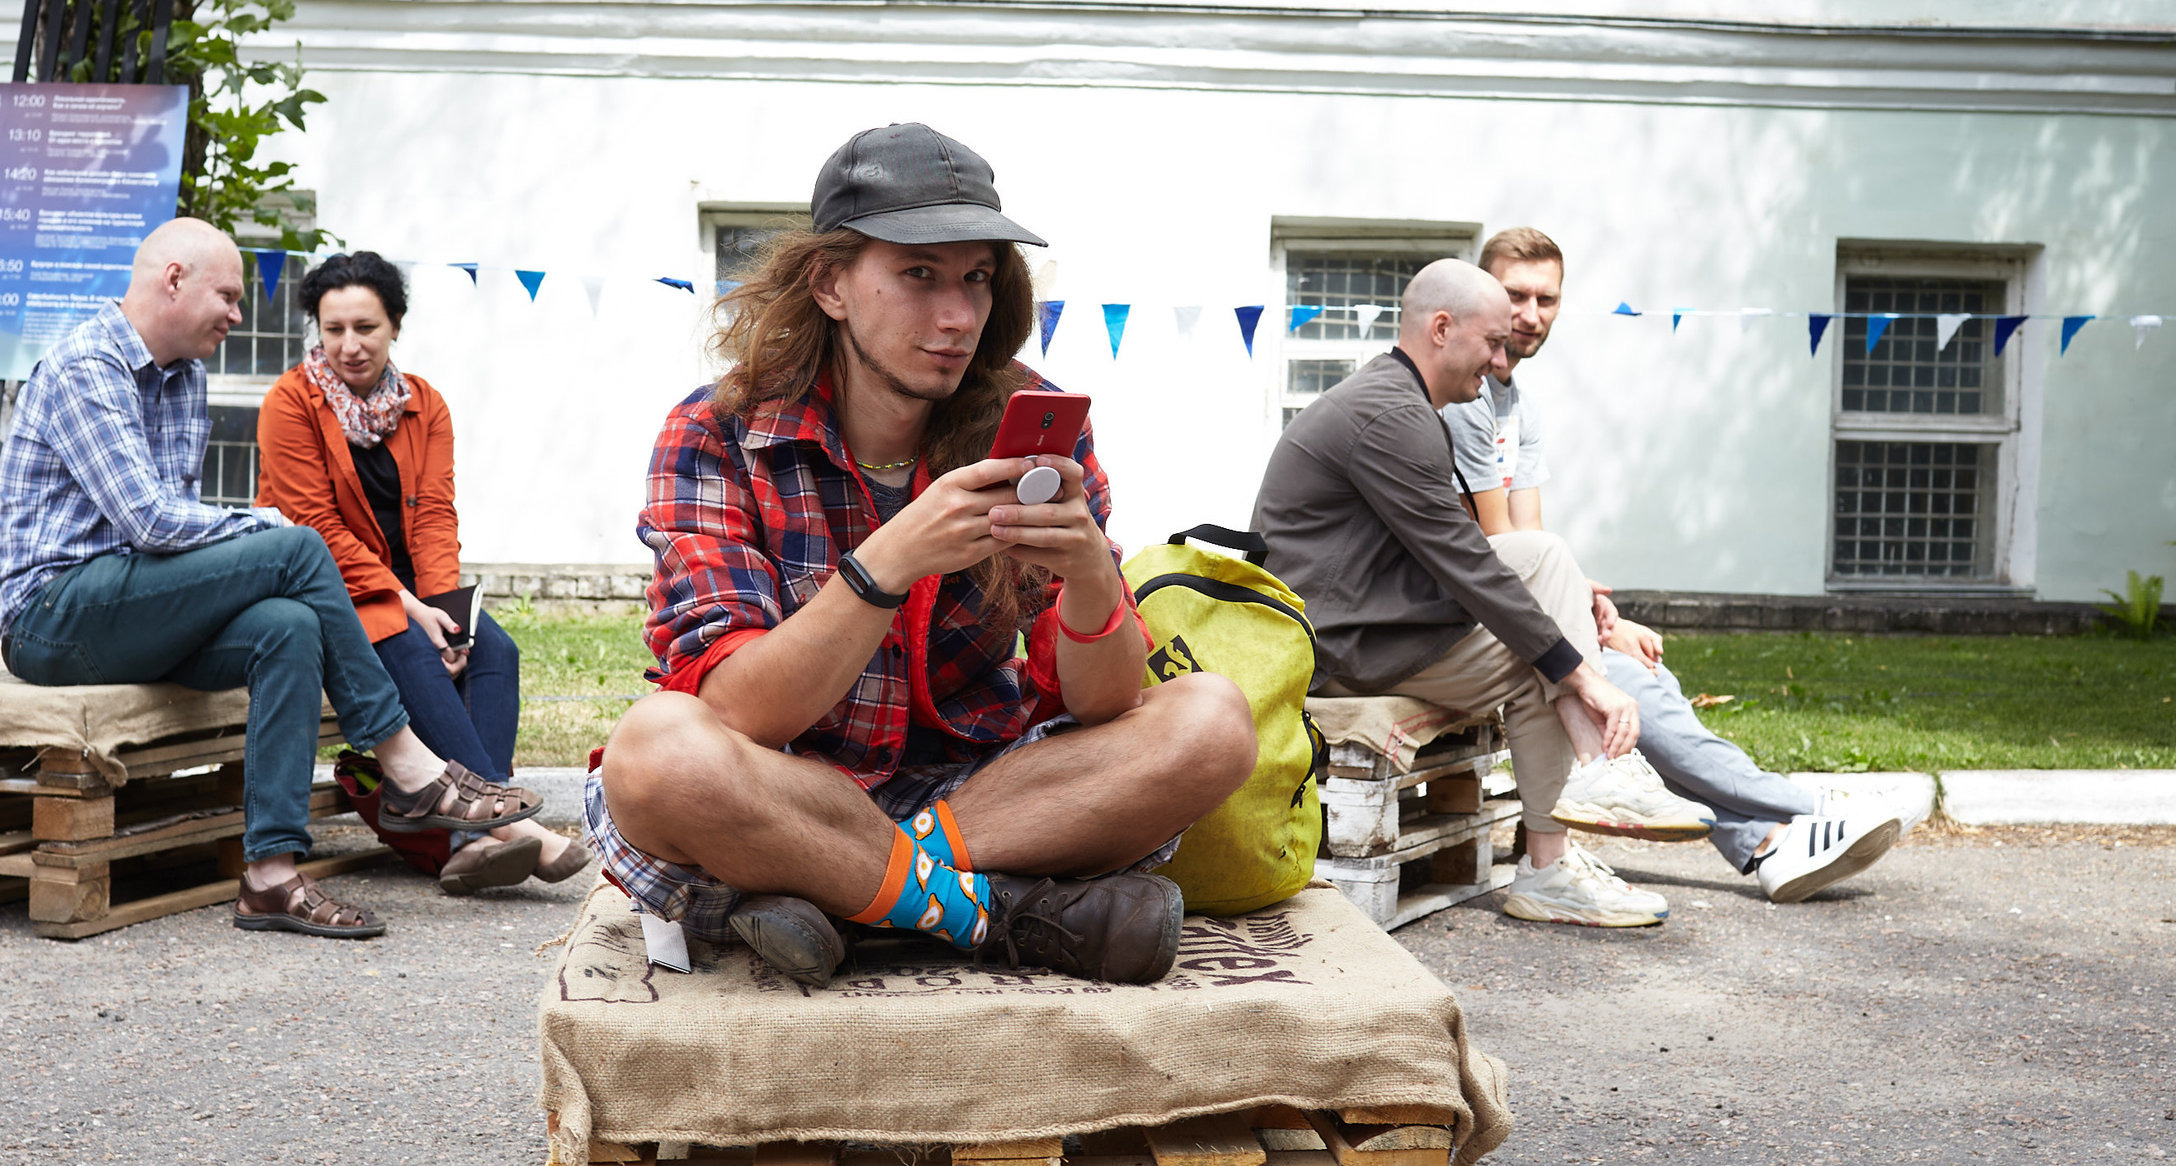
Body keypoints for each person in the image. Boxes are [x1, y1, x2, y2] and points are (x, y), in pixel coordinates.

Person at [589, 122, 1258, 989]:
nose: (957, 318)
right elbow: (741, 714)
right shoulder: (719, 433)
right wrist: (882, 567)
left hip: (982, 799)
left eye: (977, 279)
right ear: (830, 283)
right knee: (657, 755)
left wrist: (1092, 575)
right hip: (782, 786)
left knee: (1212, 721)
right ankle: (997, 914)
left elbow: (1102, 707)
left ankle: (851, 898)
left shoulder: (1035, 421)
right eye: (918, 276)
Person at [0, 216, 547, 940]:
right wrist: (272, 532)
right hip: (55, 615)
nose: (237, 314)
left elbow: (174, 535)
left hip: (133, 602)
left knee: (289, 627)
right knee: (297, 544)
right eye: (226, 295)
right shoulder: (87, 369)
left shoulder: (184, 377)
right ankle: (406, 765)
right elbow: (153, 523)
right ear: (173, 281)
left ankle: (270, 875)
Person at [1444, 227, 1910, 902]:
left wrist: (1602, 615)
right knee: (1629, 683)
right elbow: (1500, 548)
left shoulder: (1522, 405)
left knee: (1640, 673)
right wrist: (1597, 628)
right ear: (1483, 296)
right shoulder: (1466, 399)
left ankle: (1768, 843)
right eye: (1516, 295)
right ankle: (1801, 806)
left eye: (1547, 298)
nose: (1531, 314)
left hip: (1505, 598)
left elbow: (1529, 538)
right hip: (1466, 618)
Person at [1251, 259, 1712, 930]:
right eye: (1493, 342)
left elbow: (1467, 560)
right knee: (1540, 657)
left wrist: (1568, 638)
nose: (1501, 360)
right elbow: (1465, 563)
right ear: (1442, 329)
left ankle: (1581, 801)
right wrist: (1588, 677)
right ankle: (1563, 841)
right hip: (1337, 646)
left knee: (1545, 558)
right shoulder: (1391, 416)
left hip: (1368, 615)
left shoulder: (1401, 403)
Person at [255, 250, 588, 894]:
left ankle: (473, 835)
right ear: (317, 332)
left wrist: (449, 614)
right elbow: (316, 530)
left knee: (494, 648)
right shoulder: (289, 403)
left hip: (410, 590)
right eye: (334, 330)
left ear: (396, 326)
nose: (349, 346)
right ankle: (500, 829)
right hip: (327, 588)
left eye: (366, 328)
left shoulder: (423, 404)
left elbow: (435, 513)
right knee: (405, 643)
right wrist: (413, 609)